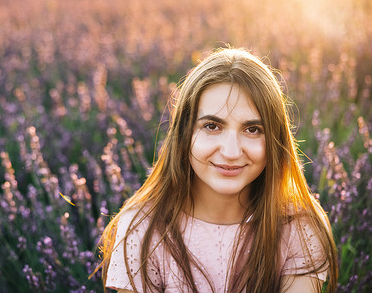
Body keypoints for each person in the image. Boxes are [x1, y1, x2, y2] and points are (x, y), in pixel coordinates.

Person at [98, 48, 338, 292]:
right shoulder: (144, 229)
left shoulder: (297, 228)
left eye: (253, 129)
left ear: (275, 140)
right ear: (184, 133)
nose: (231, 152)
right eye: (212, 126)